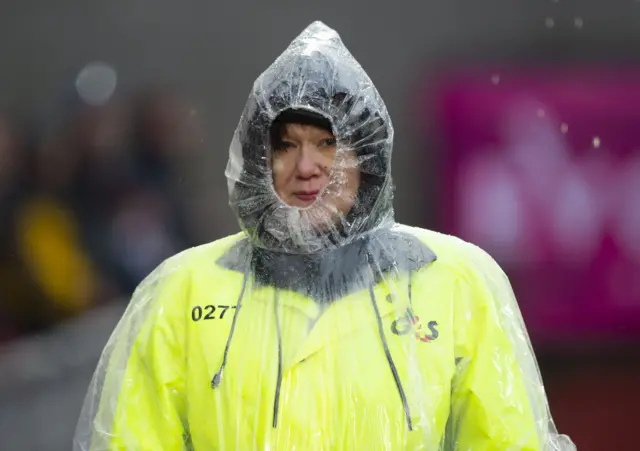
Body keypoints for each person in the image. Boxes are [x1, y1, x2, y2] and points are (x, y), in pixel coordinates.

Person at [74, 21, 575, 450]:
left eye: (328, 143)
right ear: (257, 162)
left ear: (368, 156)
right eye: (285, 145)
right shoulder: (179, 293)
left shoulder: (457, 282)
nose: (307, 167)